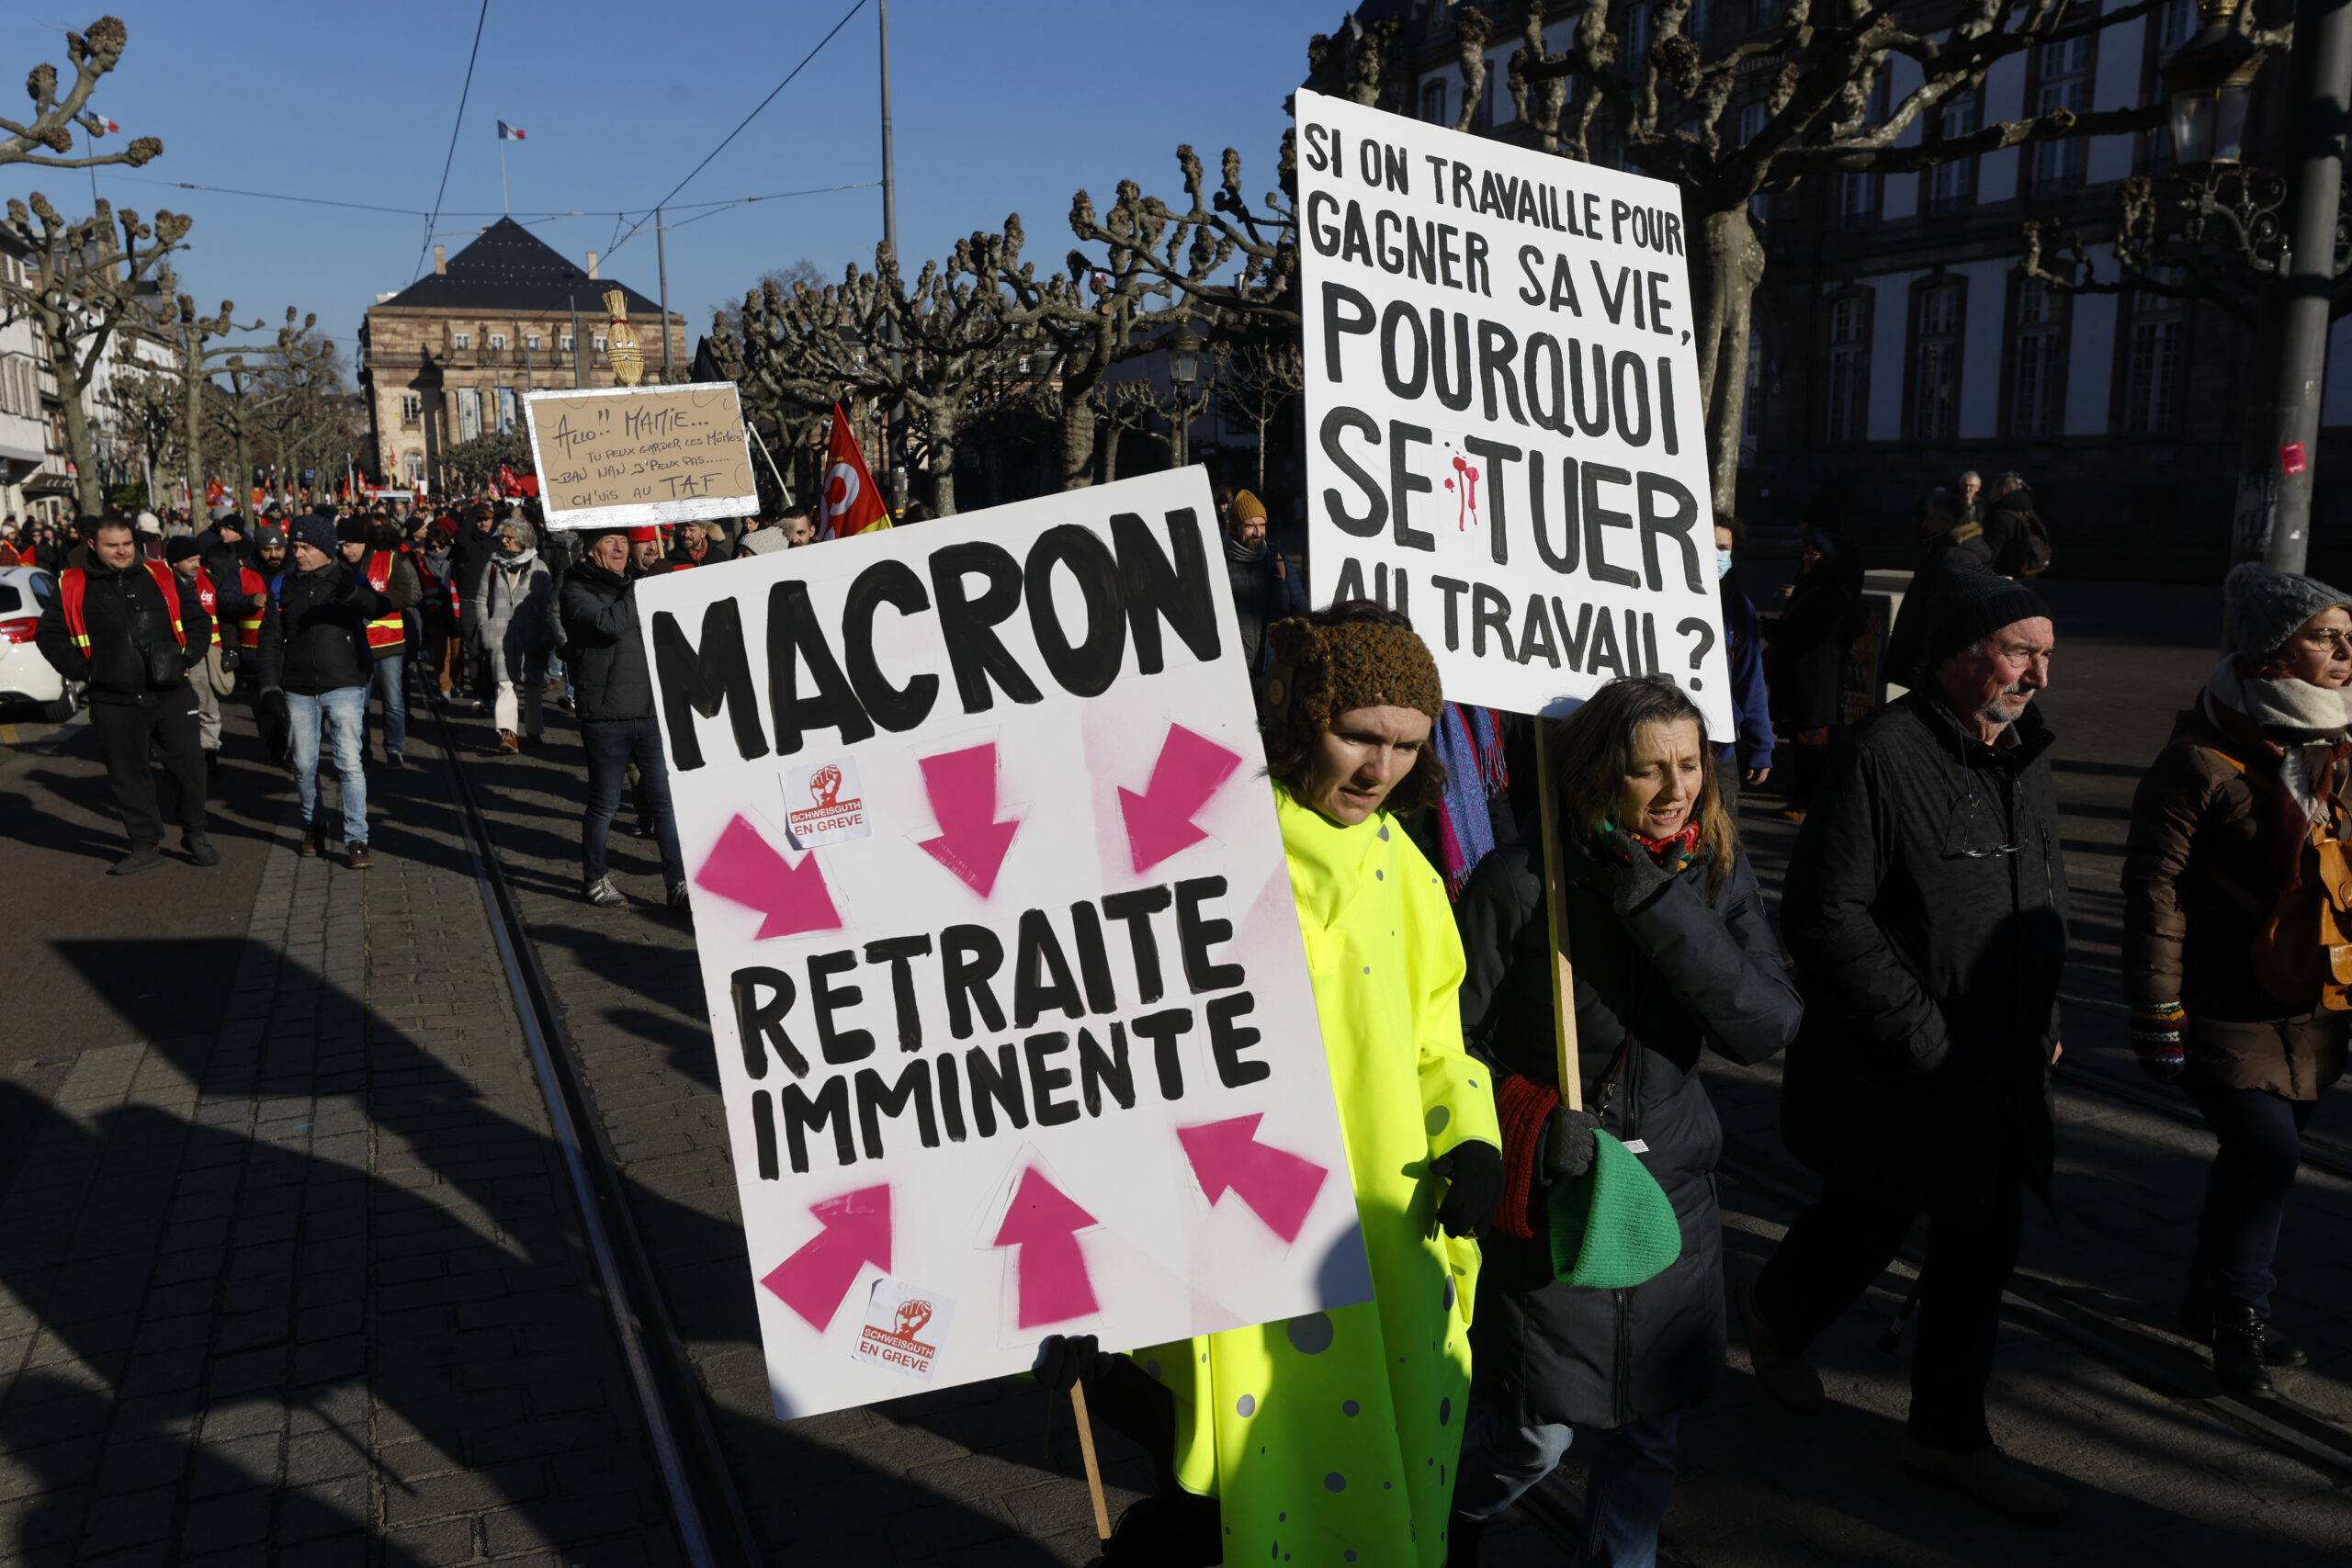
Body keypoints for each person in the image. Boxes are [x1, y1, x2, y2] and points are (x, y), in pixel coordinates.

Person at [1037, 600, 1503, 1568]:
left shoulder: (1408, 876)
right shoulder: (1199, 852)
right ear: (1301, 720)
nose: (1381, 771)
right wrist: (1073, 1267)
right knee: (1225, 1497)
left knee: (1385, 1482)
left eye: (1408, 746)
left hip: (1375, 1240)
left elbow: (1436, 1040)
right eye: (1358, 737)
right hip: (1229, 1244)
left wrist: (1471, 1136)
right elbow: (1105, 1052)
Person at [1740, 562, 2068, 1521]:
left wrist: (2041, 1017)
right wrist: (1923, 1039)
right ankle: (1779, 1314)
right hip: (1901, 1062)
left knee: (1982, 1242)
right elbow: (1824, 914)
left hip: (1999, 1058)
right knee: (1869, 1215)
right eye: (2019, 653)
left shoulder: (2026, 750)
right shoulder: (1881, 750)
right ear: (1957, 656)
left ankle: (1945, 1437)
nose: (2037, 676)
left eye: (2048, 655)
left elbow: (2039, 893)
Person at [1450, 675, 1801, 1567]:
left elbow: (1763, 1024)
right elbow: (1447, 1042)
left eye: (1690, 765)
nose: (1677, 788)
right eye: (1650, 772)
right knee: (1538, 1438)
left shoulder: (1715, 873)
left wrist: (1656, 904)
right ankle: (1450, 1516)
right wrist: (1523, 1113)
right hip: (1557, 1192)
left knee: (1647, 1441)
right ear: (1601, 775)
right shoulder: (1521, 883)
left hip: (1668, 1193)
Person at [2120, 562, 2350, 1395]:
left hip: (2311, 999)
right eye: (2326, 637)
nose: (2345, 653)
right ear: (2270, 653)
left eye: (2348, 638)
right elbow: (2156, 891)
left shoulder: (2341, 742)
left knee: (2257, 1162)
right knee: (2268, 1154)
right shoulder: (2198, 760)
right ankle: (2239, 1317)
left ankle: (2204, 1292)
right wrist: (2156, 1004)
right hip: (2221, 1000)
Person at [34, 514, 215, 874]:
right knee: (128, 776)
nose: (121, 552)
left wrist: (188, 656)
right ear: (92, 546)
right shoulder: (72, 584)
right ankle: (145, 844)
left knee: (190, 769)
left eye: (127, 544)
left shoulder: (161, 575)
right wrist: (86, 672)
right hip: (112, 700)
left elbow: (197, 620)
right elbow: (48, 635)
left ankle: (195, 834)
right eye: (112, 545)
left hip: (171, 694)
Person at [560, 528, 688, 911]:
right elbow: (610, 625)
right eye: (609, 541)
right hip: (606, 717)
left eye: (622, 541)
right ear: (590, 549)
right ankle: (595, 877)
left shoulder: (634, 584)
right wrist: (645, 588)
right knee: (604, 805)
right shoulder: (575, 590)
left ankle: (677, 881)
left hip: (650, 712)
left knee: (664, 805)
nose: (619, 548)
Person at [258, 516, 390, 868]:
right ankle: (314, 825)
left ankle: (357, 839)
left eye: (305, 547)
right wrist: (269, 685)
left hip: (344, 683)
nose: (297, 553)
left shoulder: (347, 578)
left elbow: (380, 607)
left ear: (323, 548)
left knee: (349, 763)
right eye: (295, 547)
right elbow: (270, 638)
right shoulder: (283, 585)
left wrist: (352, 594)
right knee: (303, 765)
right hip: (298, 688)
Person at [1764, 531, 1864, 819]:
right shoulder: (1816, 586)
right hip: (1805, 682)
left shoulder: (1830, 592)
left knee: (1813, 744)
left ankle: (1811, 803)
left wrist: (1775, 630)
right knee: (1803, 741)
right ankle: (1804, 800)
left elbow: (1809, 634)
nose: (1807, 556)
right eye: (1806, 550)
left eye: (1815, 552)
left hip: (1815, 684)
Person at [341, 515, 422, 768]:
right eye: (341, 545)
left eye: (350, 544)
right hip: (355, 647)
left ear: (363, 543)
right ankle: (362, 751)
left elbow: (404, 594)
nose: (345, 550)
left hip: (388, 643)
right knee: (359, 706)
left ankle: (394, 748)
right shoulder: (338, 567)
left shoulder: (389, 560)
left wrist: (371, 601)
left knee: (394, 701)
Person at [1713, 513, 1772, 821]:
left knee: (1723, 847)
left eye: (1725, 548)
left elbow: (1750, 678)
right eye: (1710, 546)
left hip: (1718, 751)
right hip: (1662, 746)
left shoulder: (1738, 608)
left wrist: (1761, 745)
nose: (1718, 555)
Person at [481, 518, 554, 753]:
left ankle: (533, 730)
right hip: (499, 633)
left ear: (523, 541)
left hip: (531, 636)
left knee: (532, 684)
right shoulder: (494, 565)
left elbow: (548, 605)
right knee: (504, 683)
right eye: (503, 537)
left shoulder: (540, 569)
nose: (504, 541)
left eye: (509, 537)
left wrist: (547, 635)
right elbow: (481, 599)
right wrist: (486, 626)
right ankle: (508, 736)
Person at [1222, 488, 1307, 672]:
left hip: (1275, 668)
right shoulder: (1218, 564)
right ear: (1235, 528)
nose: (1257, 532)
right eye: (1250, 525)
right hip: (1233, 671)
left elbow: (1301, 607)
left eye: (1262, 525)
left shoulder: (1278, 561)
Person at [1979, 472, 2048, 580]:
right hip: (2027, 571)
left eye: (1993, 489)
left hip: (2005, 577)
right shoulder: (2028, 510)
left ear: (2002, 491)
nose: (1990, 493)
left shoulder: (2000, 516)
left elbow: (1990, 553)